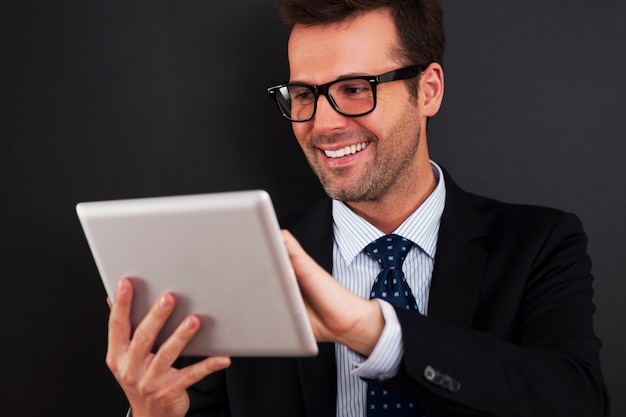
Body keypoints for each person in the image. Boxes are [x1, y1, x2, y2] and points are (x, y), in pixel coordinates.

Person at [105, 1, 610, 416]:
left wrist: (372, 331)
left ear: (427, 90)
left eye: (354, 89)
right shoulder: (242, 260)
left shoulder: (540, 244)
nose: (322, 124)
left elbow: (576, 401)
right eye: (305, 94)